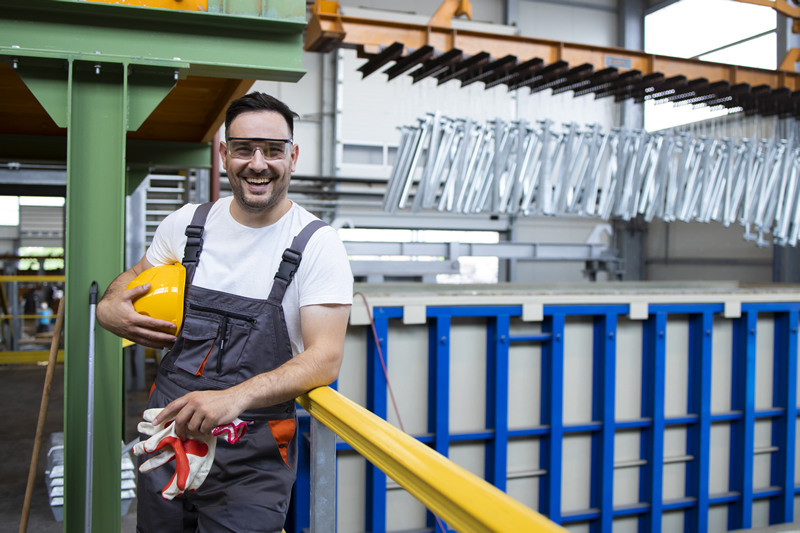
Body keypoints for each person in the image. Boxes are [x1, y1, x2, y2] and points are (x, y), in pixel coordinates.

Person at [96, 92, 353, 532]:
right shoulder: (187, 224)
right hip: (169, 437)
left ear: (292, 156)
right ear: (223, 154)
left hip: (250, 458)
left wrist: (235, 397)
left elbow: (325, 357)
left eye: (273, 150)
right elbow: (132, 279)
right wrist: (107, 309)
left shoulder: (317, 245)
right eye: (243, 148)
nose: (257, 163)